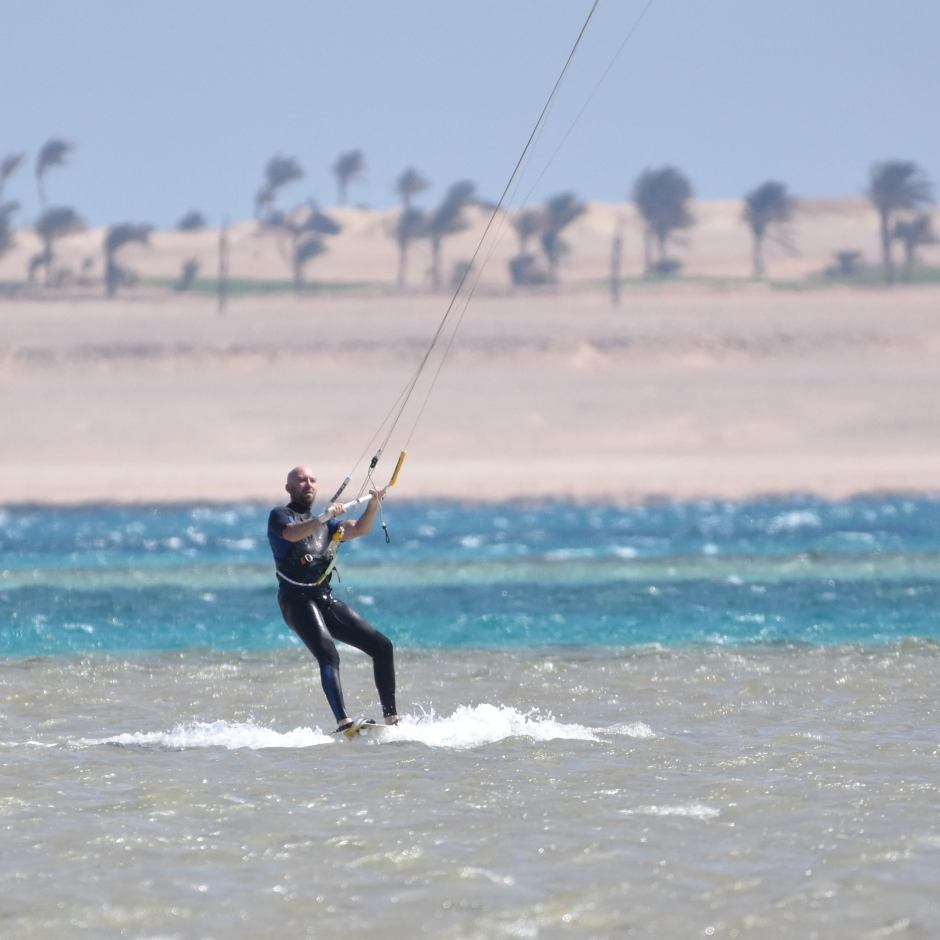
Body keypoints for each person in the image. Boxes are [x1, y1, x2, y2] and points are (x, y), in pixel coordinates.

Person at [267, 465, 399, 732]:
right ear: (289, 488)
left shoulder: (329, 526)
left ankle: (392, 720)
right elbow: (293, 535)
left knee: (383, 647)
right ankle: (344, 723)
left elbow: (360, 528)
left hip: (322, 597)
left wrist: (373, 504)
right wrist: (323, 518)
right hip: (296, 601)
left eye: (312, 480)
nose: (308, 484)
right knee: (329, 655)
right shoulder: (280, 516)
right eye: (301, 480)